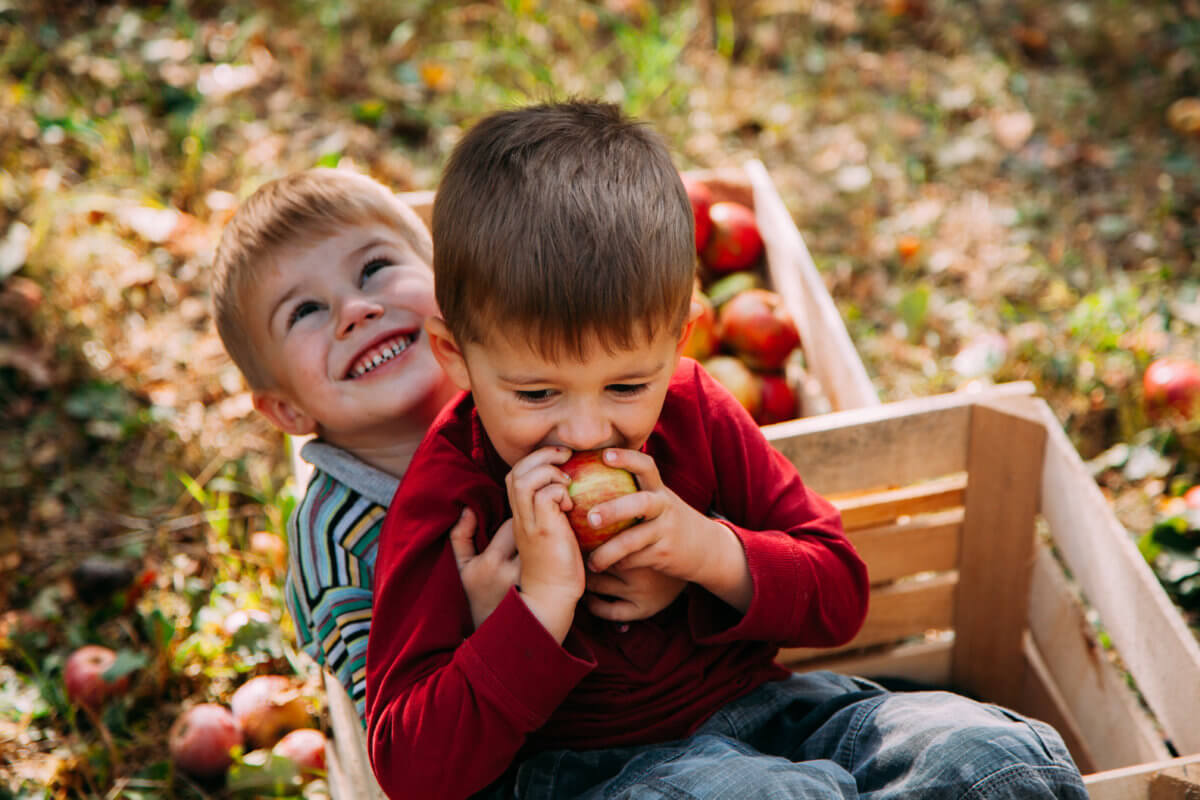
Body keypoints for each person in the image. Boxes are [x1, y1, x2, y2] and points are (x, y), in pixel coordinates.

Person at [365, 99, 1089, 800]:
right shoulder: (451, 497)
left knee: (992, 757)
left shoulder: (694, 408)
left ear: (681, 337)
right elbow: (409, 769)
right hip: (593, 773)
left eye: (625, 386)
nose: (585, 433)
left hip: (775, 718)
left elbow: (840, 596)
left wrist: (708, 553)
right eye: (536, 394)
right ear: (454, 357)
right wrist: (540, 607)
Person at [209, 168, 683, 720]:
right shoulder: (337, 545)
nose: (355, 311)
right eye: (306, 311)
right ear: (287, 409)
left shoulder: (550, 401)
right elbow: (397, 727)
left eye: (374, 268)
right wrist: (476, 625)